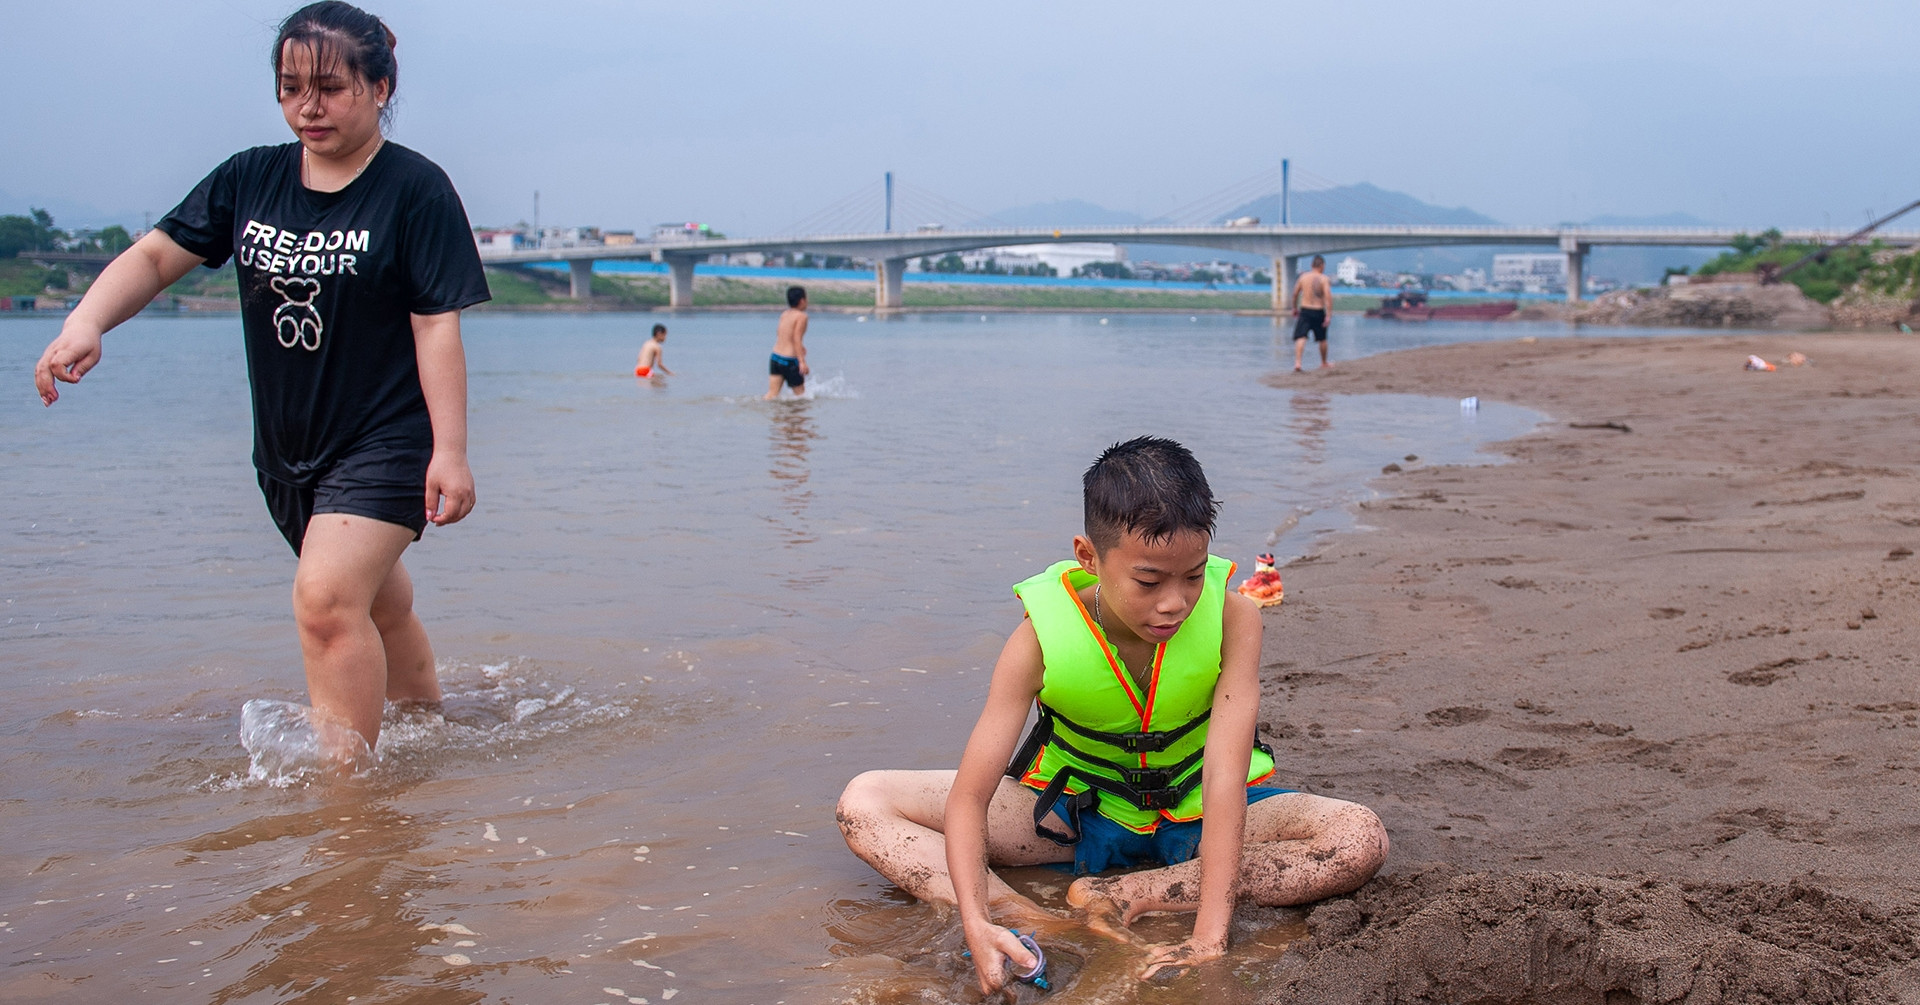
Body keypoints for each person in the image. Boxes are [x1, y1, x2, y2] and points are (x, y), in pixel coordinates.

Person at [32, 1, 489, 767]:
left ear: (380, 86)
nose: (307, 107)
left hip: (385, 438)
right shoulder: (249, 178)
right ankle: (427, 726)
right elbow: (153, 258)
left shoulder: (415, 190)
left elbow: (434, 324)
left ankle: (349, 805)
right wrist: (87, 321)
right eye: (290, 87)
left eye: (331, 87)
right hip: (285, 447)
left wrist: (451, 450)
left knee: (324, 601)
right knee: (377, 600)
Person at [836, 437, 1388, 993]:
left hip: (1196, 820)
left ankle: (1127, 892)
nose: (1174, 602)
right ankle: (1025, 915)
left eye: (1193, 576)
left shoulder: (1235, 619)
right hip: (1074, 819)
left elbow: (1225, 776)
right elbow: (971, 796)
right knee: (864, 803)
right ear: (1088, 557)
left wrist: (1208, 937)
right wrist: (977, 920)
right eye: (1149, 581)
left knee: (1357, 838)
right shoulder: (1037, 642)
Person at [1291, 254, 1333, 372]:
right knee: (1322, 338)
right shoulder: (1324, 279)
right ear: (1322, 266)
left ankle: (1298, 363)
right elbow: (1328, 298)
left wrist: (1294, 308)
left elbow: (1295, 294)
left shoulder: (1303, 277)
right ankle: (1324, 362)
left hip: (1305, 309)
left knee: (1301, 336)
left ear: (1311, 265)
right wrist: (1328, 315)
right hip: (1319, 311)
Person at [765, 285, 809, 399]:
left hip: (775, 357)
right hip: (789, 361)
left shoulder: (785, 314)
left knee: (772, 394)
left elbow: (781, 332)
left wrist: (801, 347)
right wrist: (802, 362)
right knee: (802, 398)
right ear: (802, 300)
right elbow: (796, 338)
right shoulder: (801, 316)